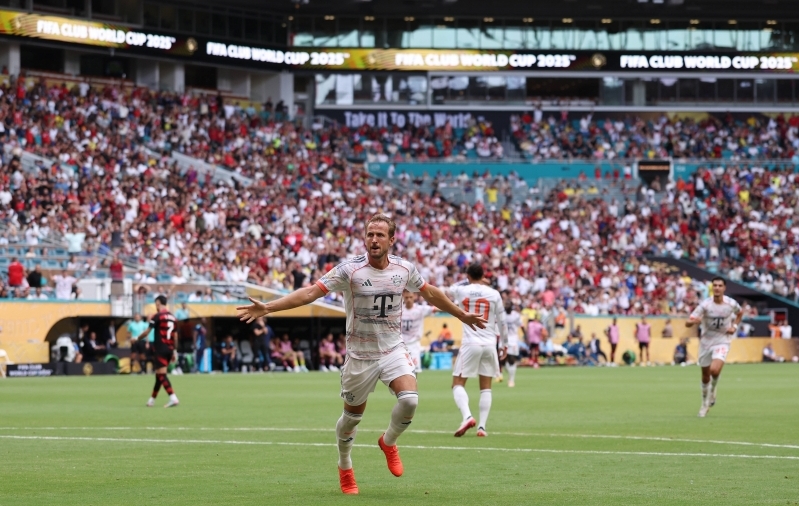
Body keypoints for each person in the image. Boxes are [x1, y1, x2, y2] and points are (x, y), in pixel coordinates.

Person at [236, 214, 486, 495]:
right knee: (351, 419)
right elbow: (309, 293)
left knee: (410, 400)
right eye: (370, 234)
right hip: (359, 356)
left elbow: (430, 293)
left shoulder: (404, 269)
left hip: (393, 349)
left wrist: (461, 314)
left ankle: (388, 442)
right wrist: (268, 308)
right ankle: (345, 465)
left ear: (392, 240)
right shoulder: (349, 270)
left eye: (380, 235)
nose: (374, 240)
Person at [446, 263, 507, 438]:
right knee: (486, 387)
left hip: (471, 343)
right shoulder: (494, 293)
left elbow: (450, 289)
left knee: (457, 383)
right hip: (489, 344)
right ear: (483, 275)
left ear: (468, 276)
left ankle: (467, 417)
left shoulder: (462, 290)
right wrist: (504, 344)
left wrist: (466, 282)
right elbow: (502, 321)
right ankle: (482, 427)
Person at [686, 277, 743, 418]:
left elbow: (740, 313)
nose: (717, 288)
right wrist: (693, 322)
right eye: (715, 285)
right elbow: (688, 322)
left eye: (720, 285)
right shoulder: (705, 305)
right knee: (705, 376)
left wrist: (734, 326)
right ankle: (704, 404)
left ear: (724, 288)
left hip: (722, 340)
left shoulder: (731, 303)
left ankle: (711, 394)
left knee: (715, 370)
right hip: (706, 342)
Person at [136, 295, 180, 408]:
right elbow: (175, 337)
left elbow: (147, 332)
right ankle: (151, 400)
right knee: (159, 375)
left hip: (161, 348)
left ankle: (173, 398)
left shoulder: (157, 316)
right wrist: (174, 351)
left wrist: (137, 338)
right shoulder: (173, 317)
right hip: (170, 349)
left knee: (162, 375)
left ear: (158, 303)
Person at [400, 291, 433, 373]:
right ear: (403, 297)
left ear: (414, 296)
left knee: (415, 370)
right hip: (401, 345)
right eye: (406, 297)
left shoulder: (420, 309)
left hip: (414, 344)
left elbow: (435, 309)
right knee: (401, 371)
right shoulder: (399, 310)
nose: (408, 300)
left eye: (410, 297)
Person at [502, 302, 522, 387]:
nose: (507, 307)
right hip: (503, 339)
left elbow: (521, 325)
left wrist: (526, 336)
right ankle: (510, 375)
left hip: (513, 339)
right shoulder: (501, 314)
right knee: (502, 360)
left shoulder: (516, 315)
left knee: (511, 359)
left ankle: (511, 380)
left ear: (511, 307)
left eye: (508, 306)